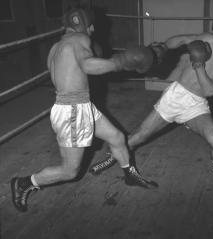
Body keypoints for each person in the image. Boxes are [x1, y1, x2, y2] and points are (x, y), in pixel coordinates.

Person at [10, 8, 158, 212]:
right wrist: (121, 62)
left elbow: (64, 75)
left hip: (78, 106)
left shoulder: (57, 46)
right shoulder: (79, 39)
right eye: (91, 25)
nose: (93, 29)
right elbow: (88, 65)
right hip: (73, 112)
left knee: (116, 137)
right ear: (82, 25)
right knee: (70, 171)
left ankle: (129, 173)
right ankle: (25, 182)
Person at [89, 18, 213, 194]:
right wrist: (162, 48)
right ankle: (112, 157)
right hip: (175, 97)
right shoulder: (210, 40)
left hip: (197, 104)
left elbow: (210, 90)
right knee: (137, 138)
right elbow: (180, 40)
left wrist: (198, 64)